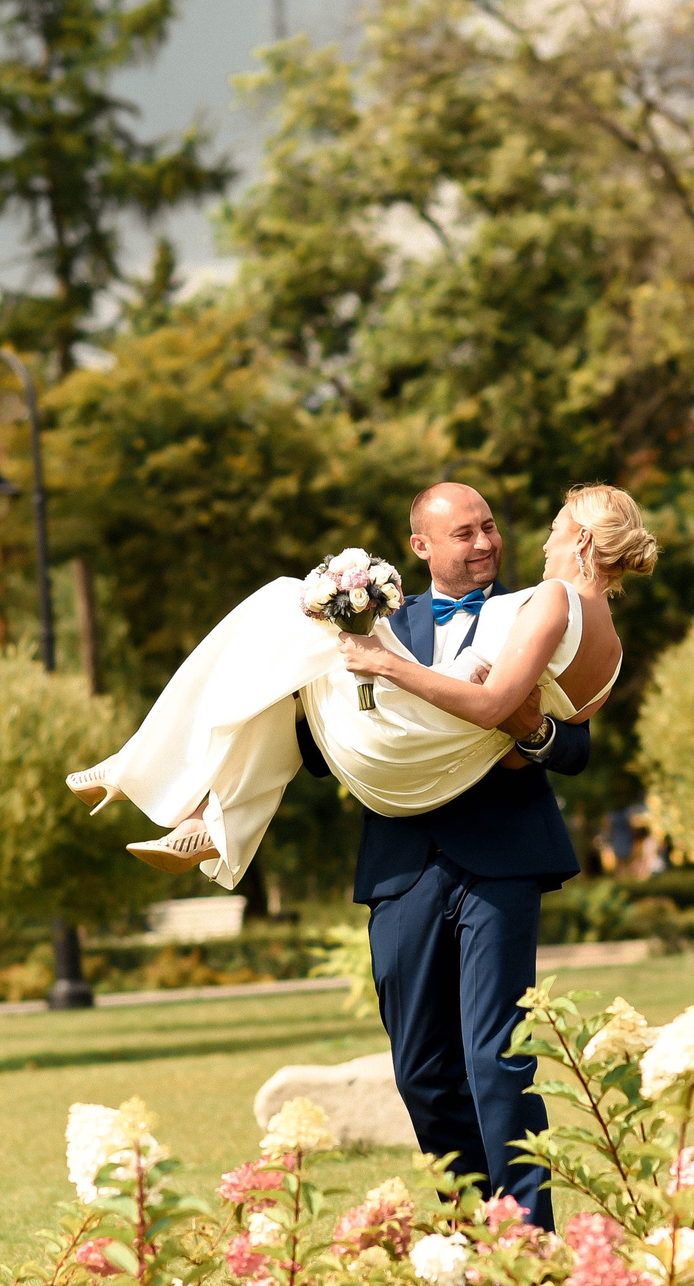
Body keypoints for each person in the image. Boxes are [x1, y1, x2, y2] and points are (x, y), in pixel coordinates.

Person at [66, 482, 660, 1224]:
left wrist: (532, 732)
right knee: (419, 1068)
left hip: (500, 850)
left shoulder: (534, 608)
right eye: (464, 533)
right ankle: (470, 1227)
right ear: (421, 548)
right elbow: (323, 744)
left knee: (497, 1058)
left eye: (490, 527)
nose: (485, 544)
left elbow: (573, 740)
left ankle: (528, 1235)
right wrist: (342, 708)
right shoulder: (380, 620)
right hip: (402, 858)